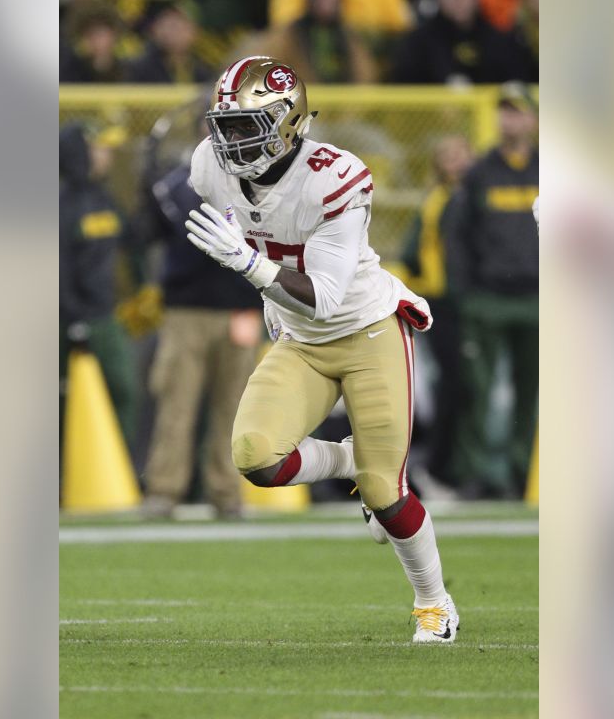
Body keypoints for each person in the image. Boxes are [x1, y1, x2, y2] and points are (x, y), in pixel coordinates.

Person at [184, 56, 459, 642]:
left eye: (244, 127)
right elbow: (251, 231)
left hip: (366, 331)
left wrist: (253, 268)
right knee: (256, 457)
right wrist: (259, 278)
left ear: (287, 123)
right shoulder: (210, 165)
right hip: (300, 339)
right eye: (224, 126)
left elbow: (328, 297)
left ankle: (434, 604)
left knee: (386, 491)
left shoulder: (334, 176)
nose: (229, 143)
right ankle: (345, 459)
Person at [140, 162, 263, 519]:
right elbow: (169, 231)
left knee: (235, 407)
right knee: (177, 402)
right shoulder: (177, 183)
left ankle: (227, 492)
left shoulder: (257, 178)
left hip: (241, 309)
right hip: (188, 310)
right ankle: (164, 489)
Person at [444, 83, 539, 498]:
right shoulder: (481, 172)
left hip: (538, 298)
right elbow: (458, 237)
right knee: (478, 390)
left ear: (533, 119)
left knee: (532, 391)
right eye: (504, 111)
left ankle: (524, 473)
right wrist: (464, 293)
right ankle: (479, 476)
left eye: (517, 111)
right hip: (488, 298)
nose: (509, 120)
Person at [399, 135, 474, 490]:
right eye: (447, 155)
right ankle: (440, 465)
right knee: (452, 385)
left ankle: (448, 464)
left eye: (459, 154)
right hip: (443, 301)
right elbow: (414, 250)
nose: (454, 162)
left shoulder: (462, 197)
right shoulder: (440, 197)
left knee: (458, 385)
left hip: (462, 300)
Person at [59, 123, 138, 449]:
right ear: (82, 154)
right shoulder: (62, 204)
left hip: (105, 316)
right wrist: (73, 319)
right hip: (70, 319)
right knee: (65, 399)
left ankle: (118, 471)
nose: (107, 156)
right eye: (100, 149)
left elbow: (136, 239)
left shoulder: (104, 199)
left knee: (123, 390)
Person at [388, 0, 536, 85]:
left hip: (497, 129)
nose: (459, 1)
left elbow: (519, 85)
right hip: (435, 129)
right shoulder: (417, 42)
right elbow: (406, 88)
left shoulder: (501, 40)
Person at [243, 0, 378, 84]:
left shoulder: (351, 38)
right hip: (303, 113)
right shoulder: (287, 37)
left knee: (373, 131)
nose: (327, 2)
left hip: (345, 115)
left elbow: (365, 76)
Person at [122, 0, 215, 84]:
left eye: (178, 25)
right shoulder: (137, 69)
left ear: (195, 31)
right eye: (166, 24)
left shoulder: (205, 70)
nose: (171, 31)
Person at [60, 0, 124, 83]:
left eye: (100, 34)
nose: (96, 41)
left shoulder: (129, 71)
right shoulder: (70, 71)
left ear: (114, 35)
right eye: (90, 35)